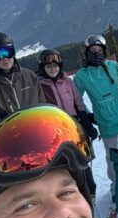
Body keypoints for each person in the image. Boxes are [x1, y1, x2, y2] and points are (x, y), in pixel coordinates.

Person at [73, 33, 118, 218]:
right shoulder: (82, 76)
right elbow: (77, 100)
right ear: (87, 52)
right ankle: (117, 185)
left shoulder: (114, 66)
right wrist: (87, 117)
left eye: (100, 51)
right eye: (92, 51)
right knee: (112, 156)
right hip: (106, 121)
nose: (97, 54)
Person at [37, 47, 98, 196]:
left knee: (82, 160)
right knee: (66, 165)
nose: (53, 69)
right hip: (54, 132)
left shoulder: (67, 82)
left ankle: (90, 193)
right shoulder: (39, 86)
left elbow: (79, 103)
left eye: (55, 66)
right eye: (49, 66)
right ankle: (74, 194)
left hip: (73, 127)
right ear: (42, 68)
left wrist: (86, 123)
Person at [0, 31, 46, 117]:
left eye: (8, 52)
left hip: (35, 127)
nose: (5, 58)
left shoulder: (29, 76)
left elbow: (43, 106)